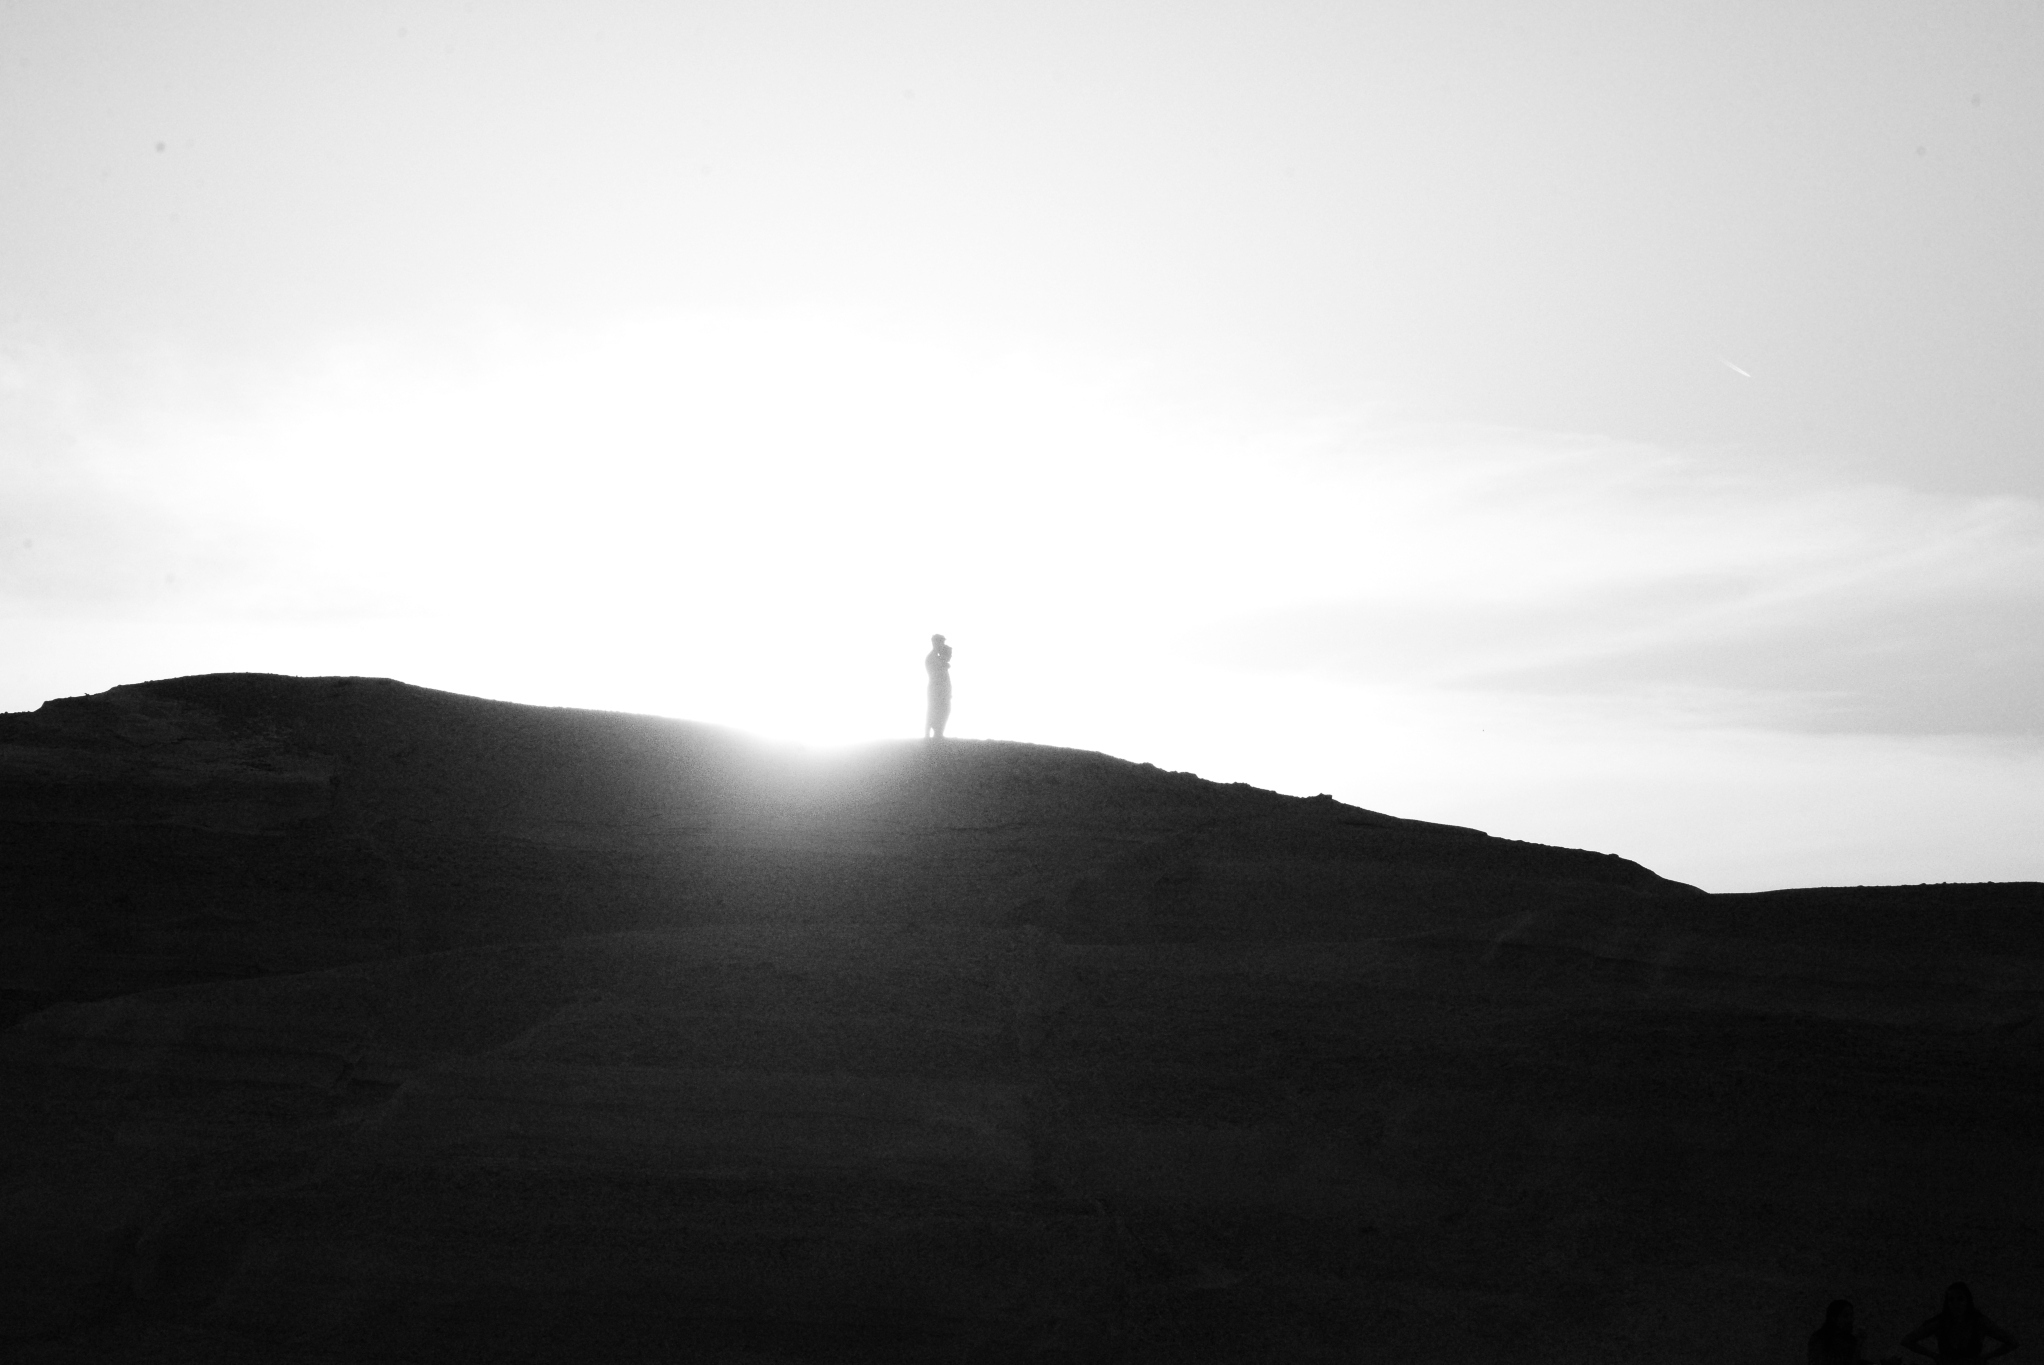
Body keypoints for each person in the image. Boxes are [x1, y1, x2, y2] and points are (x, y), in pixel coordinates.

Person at [1902, 1283, 2018, 1363]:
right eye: (1951, 1300)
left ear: (1968, 1301)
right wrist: (1934, 1356)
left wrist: (1985, 1358)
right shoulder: (1940, 1323)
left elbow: (2012, 1342)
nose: (1955, 1304)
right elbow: (1907, 1340)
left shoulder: (1979, 1322)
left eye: (1960, 1299)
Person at [1811, 1299, 1868, 1365]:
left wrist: (1859, 1344)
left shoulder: (1850, 1340)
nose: (1850, 1320)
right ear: (1834, 1318)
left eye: (1851, 1315)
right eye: (1845, 1316)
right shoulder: (1819, 1338)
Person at [924, 633, 953, 739]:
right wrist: (946, 658)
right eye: (940, 642)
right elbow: (939, 672)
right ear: (935, 643)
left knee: (942, 710)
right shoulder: (932, 658)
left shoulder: (935, 657)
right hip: (936, 689)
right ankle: (932, 734)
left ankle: (937, 733)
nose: (942, 645)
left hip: (940, 689)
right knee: (935, 710)